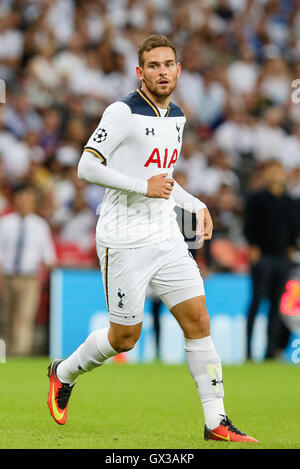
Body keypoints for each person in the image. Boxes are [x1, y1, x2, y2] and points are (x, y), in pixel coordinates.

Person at [47, 34, 257, 443]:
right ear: (140, 72)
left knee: (198, 319)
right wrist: (143, 187)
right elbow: (86, 167)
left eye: (169, 64)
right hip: (123, 238)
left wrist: (193, 202)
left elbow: (164, 179)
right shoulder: (122, 112)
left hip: (165, 235)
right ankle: (63, 372)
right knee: (125, 337)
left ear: (178, 70)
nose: (162, 72)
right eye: (154, 66)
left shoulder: (176, 116)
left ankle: (216, 421)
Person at [244, 160, 297, 360]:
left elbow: (294, 228)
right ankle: (248, 351)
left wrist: (291, 247)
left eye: (278, 171)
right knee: (256, 302)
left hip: (282, 258)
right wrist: (253, 246)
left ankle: (270, 352)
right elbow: (249, 225)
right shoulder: (257, 199)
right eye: (272, 171)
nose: (275, 175)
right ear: (266, 175)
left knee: (277, 306)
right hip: (263, 256)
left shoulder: (290, 201)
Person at [0, 182, 56, 355]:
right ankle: (6, 354)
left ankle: (20, 353)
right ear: (15, 201)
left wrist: (44, 274)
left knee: (24, 317)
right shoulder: (5, 223)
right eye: (21, 199)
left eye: (28, 200)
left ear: (33, 202)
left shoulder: (40, 226)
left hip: (30, 279)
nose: (25, 203)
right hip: (7, 277)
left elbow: (49, 256)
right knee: (6, 318)